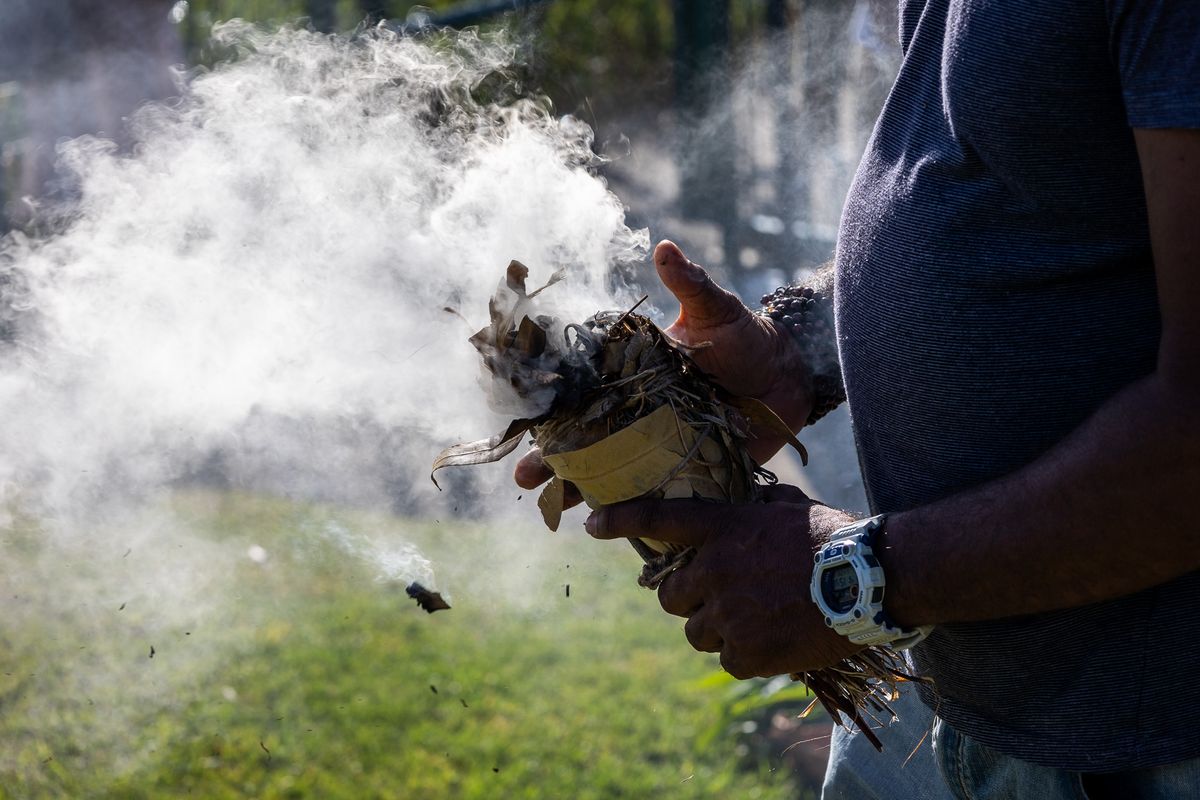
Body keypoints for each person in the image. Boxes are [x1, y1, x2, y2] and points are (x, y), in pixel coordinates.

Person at [518, 1, 1199, 797]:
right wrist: (796, 355)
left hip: (1135, 744)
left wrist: (857, 579)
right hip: (944, 683)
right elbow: (1012, 210)